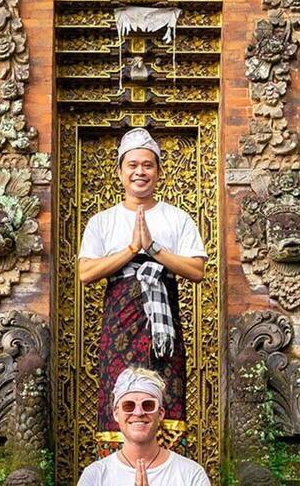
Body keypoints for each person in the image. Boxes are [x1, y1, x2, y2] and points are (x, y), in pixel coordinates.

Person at [78, 128, 207, 434]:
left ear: (158, 172)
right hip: (120, 324)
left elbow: (197, 270)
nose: (140, 172)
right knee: (120, 395)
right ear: (120, 172)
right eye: (132, 165)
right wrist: (131, 249)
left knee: (165, 396)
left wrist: (154, 248)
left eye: (147, 165)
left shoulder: (177, 218)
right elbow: (86, 273)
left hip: (163, 329)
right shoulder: (102, 221)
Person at [77, 367, 210, 486]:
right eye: (129, 406)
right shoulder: (95, 476)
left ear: (160, 413)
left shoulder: (191, 474)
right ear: (116, 414)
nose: (139, 412)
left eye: (148, 405)